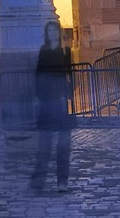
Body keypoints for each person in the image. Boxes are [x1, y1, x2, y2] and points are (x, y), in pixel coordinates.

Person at [30, 21, 74, 192]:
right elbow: (38, 73)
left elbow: (69, 75)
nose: (53, 33)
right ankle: (39, 180)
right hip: (46, 100)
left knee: (63, 145)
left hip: (60, 100)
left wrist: (68, 94)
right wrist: (36, 97)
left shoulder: (65, 51)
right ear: (47, 34)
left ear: (59, 32)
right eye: (50, 31)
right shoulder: (44, 50)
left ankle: (62, 181)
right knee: (44, 145)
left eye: (55, 30)